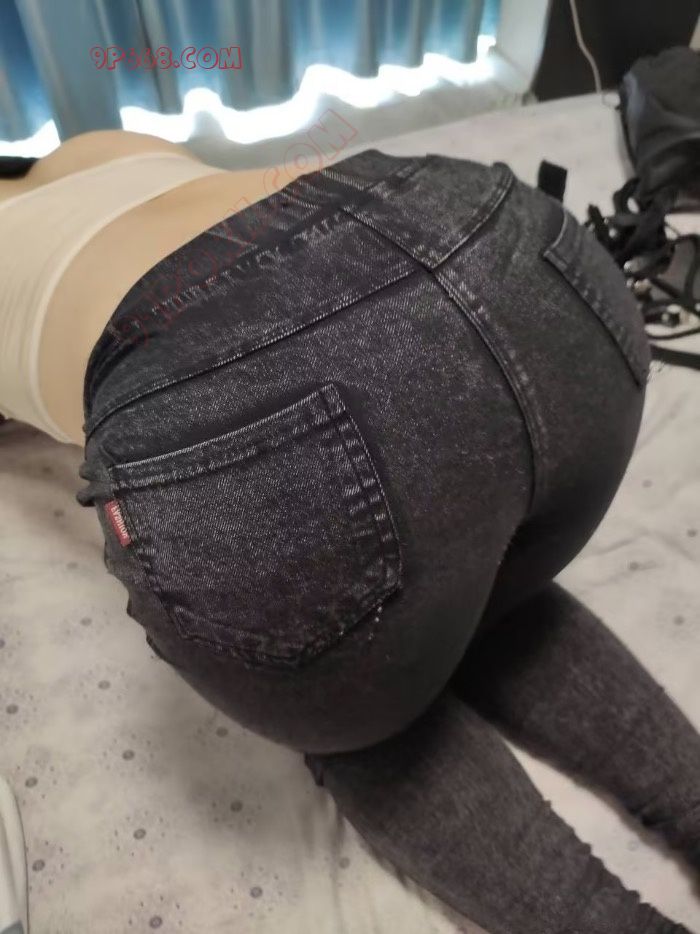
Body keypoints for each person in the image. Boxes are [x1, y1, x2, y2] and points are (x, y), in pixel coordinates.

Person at [1, 130, 698, 934]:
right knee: (494, 597)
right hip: (514, 255)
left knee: (373, 724)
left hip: (235, 394)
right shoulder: (94, 146)